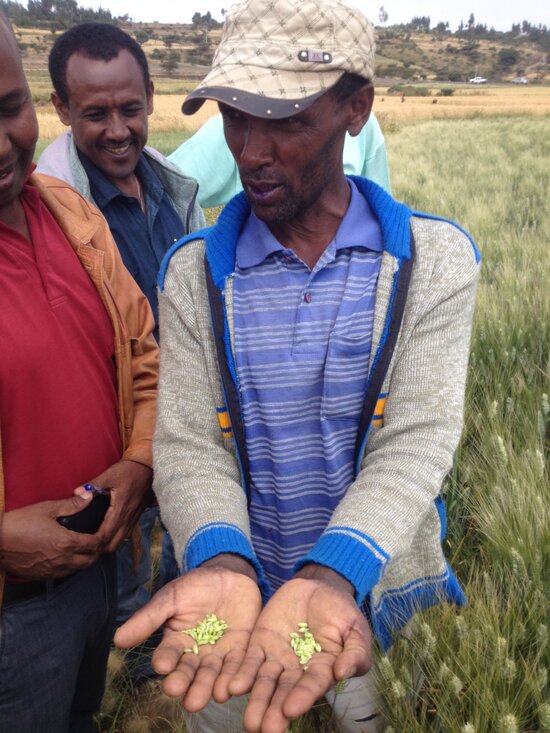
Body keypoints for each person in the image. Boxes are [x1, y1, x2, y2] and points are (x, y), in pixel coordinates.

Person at [115, 1, 480, 732]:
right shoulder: (194, 275)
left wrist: (331, 572)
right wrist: (221, 561)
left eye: (284, 118)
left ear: (355, 108)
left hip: (360, 598)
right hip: (229, 611)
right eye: (235, 116)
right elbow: (189, 442)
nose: (251, 150)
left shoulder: (431, 263)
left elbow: (416, 439)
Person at [0, 13, 158, 732]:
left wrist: (139, 459)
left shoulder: (68, 211)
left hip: (99, 570)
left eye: (9, 109)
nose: (3, 144)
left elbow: (145, 356)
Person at [36, 22, 205, 665]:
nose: (118, 130)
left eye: (130, 109)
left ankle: (158, 649)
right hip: (119, 434)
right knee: (124, 560)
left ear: (152, 97)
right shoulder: (56, 213)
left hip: (186, 417)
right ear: (60, 109)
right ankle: (130, 665)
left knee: (183, 539)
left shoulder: (168, 187)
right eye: (95, 113)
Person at [168, 111, 391, 208]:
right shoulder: (230, 129)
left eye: (290, 123)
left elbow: (380, 206)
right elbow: (165, 189)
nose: (252, 156)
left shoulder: (364, 126)